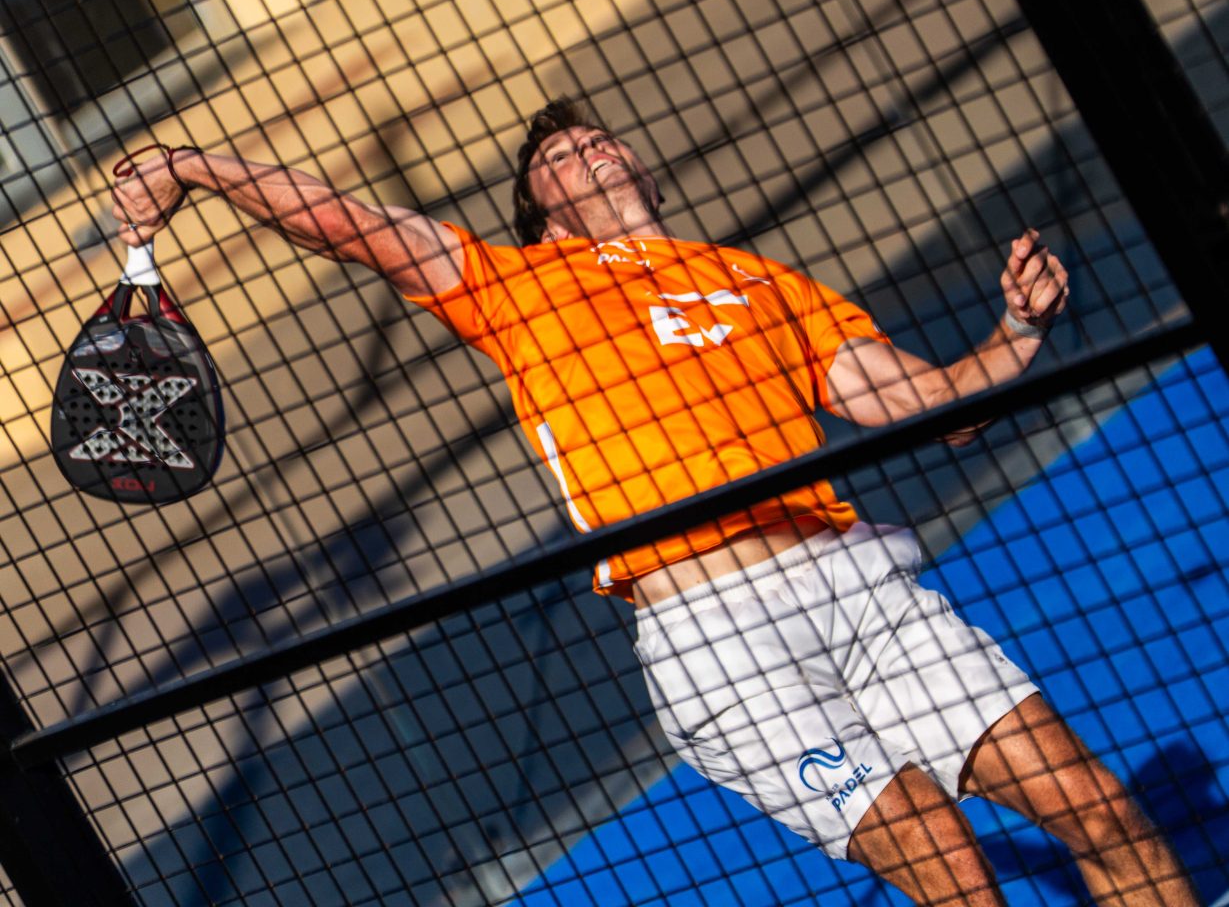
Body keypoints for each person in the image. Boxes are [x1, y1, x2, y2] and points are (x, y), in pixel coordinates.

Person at [113, 100, 1200, 906]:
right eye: (554, 158)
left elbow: (932, 410)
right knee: (947, 866)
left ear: (638, 165)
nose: (584, 151)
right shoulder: (515, 287)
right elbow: (350, 223)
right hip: (714, 634)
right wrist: (196, 167)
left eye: (595, 139)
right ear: (540, 217)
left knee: (1096, 807)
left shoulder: (762, 283)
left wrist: (1014, 333)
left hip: (860, 584)